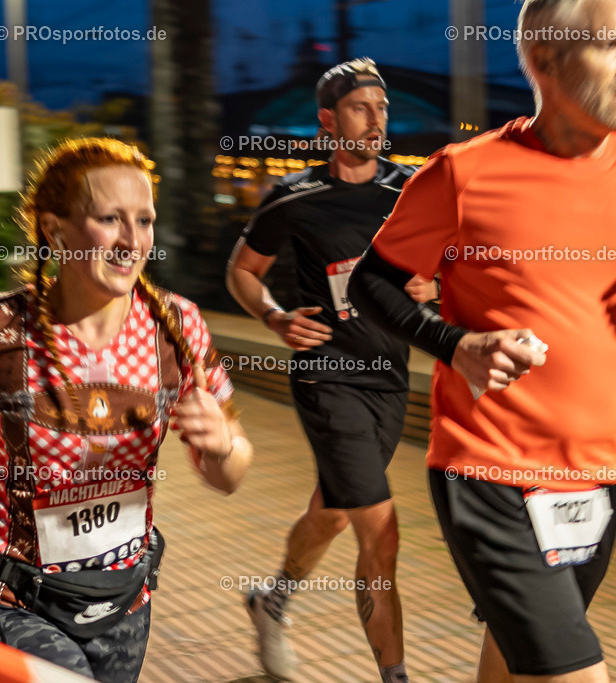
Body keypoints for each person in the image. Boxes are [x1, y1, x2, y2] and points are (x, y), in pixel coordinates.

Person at [348, 1, 616, 681]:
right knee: (575, 672)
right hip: (489, 470)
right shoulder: (463, 172)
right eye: (610, 46)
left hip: (598, 476)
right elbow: (371, 285)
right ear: (543, 60)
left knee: (513, 662)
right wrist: (455, 343)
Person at [0, 138, 252, 683]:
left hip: (122, 598)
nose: (133, 240)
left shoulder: (177, 329)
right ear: (56, 230)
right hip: (7, 592)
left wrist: (221, 444)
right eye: (111, 219)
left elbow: (229, 476)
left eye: (145, 220)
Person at [226, 57, 434, 683]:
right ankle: (395, 675)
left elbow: (453, 262)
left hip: (388, 379)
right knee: (380, 530)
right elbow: (242, 270)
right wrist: (274, 318)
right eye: (360, 109)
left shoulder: (409, 191)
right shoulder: (294, 197)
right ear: (328, 120)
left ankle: (272, 599)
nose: (376, 121)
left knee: (338, 509)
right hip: (327, 375)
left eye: (382, 110)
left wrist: (437, 283)